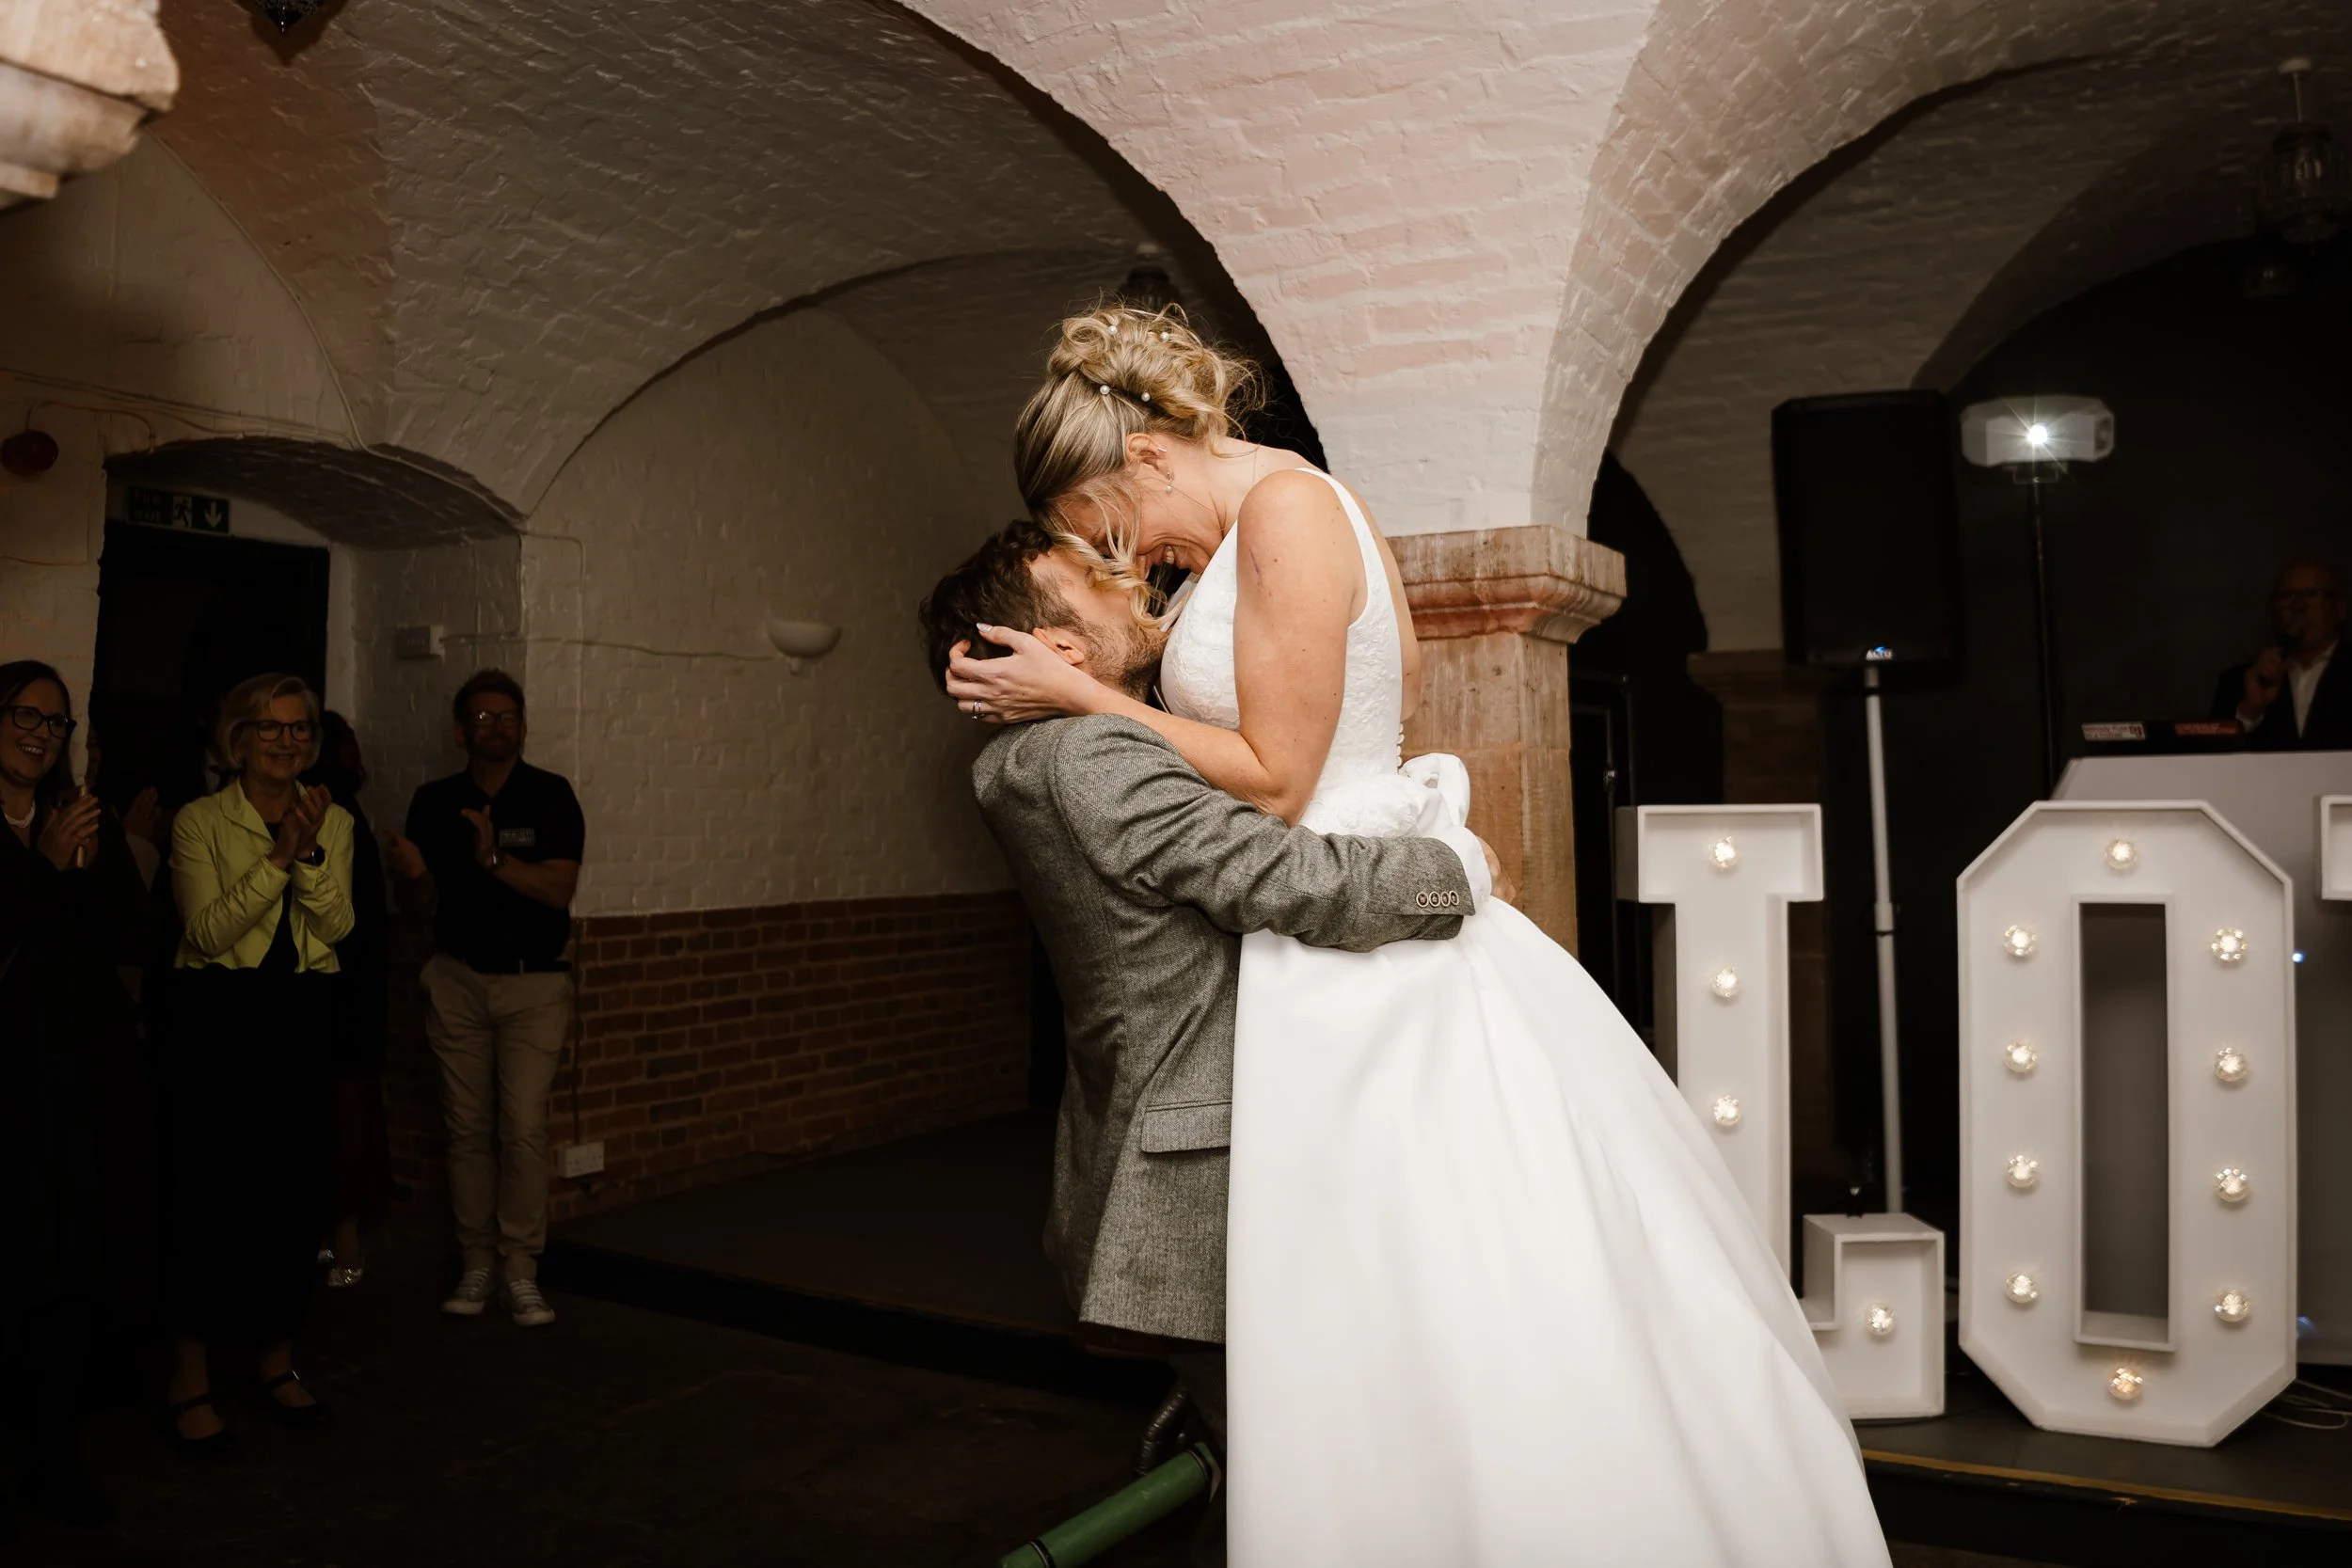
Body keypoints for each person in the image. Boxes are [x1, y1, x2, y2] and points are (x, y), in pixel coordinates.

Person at [946, 307, 1890, 1565]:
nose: (1137, 560)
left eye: (1113, 524)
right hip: (1322, 926)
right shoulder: (1286, 518)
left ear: (1151, 457)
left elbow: (1279, 782)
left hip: (1339, 929)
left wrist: (1075, 689)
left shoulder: (1283, 512)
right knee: (1391, 1306)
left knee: (1435, 1287)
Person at [919, 521, 1491, 1557]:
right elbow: (1283, 880)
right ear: (1061, 648)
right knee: (1297, 1494)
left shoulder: (1029, 754)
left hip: (1156, 1141)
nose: (1123, 577)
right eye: (1087, 582)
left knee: (1273, 1472)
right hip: (1203, 1168)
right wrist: (1460, 873)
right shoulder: (1088, 753)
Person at [162, 673, 353, 1448]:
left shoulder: (330, 816)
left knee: (290, 1199)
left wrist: (307, 855)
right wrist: (280, 854)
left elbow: (337, 924)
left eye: (299, 728)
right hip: (218, 1021)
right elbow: (207, 931)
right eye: (269, 728)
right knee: (207, 1202)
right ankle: (190, 1376)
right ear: (237, 737)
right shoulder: (199, 820)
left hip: (300, 1019)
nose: (286, 741)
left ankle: (276, 1361)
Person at [0, 663, 155, 1528]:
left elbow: (138, 937)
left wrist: (91, 863)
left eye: (56, 722)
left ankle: (55, 1462)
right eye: (24, 713)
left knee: (64, 1267)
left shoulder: (77, 819)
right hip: (7, 1077)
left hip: (72, 1081)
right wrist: (46, 867)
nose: (39, 732)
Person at [386, 671, 582, 1328]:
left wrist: (494, 859)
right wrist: (413, 878)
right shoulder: (433, 799)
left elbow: (558, 890)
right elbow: (418, 909)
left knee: (522, 1127)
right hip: (457, 979)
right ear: (459, 729)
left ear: (522, 728)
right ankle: (477, 1262)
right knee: (466, 1128)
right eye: (481, 717)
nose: (494, 726)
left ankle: (520, 1269)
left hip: (534, 985)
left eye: (506, 717)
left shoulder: (551, 795)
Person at [305, 712, 393, 1289]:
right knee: (333, 1115)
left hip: (343, 988)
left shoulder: (335, 815)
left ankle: (344, 1242)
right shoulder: (326, 809)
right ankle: (335, 1239)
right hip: (338, 988)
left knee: (342, 1115)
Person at [2210, 561, 2348, 750]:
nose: (2298, 606)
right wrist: (2250, 712)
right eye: (2287, 596)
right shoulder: (2239, 682)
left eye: (2313, 594)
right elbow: (2209, 760)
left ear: (2340, 608)